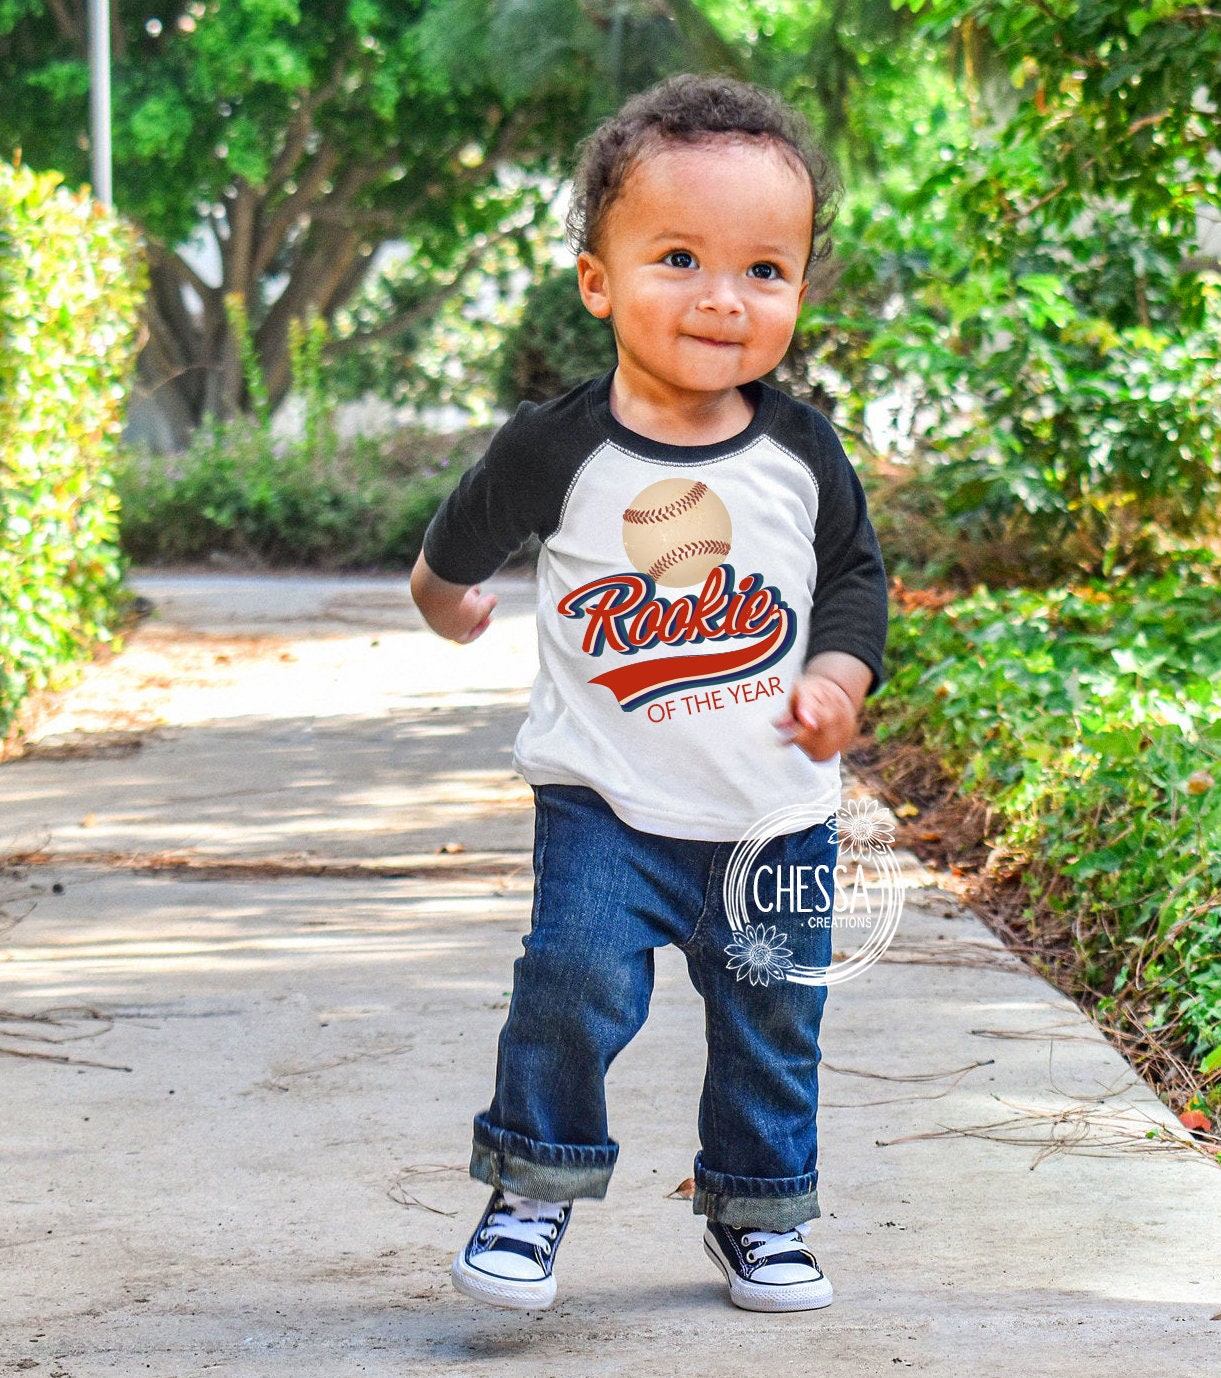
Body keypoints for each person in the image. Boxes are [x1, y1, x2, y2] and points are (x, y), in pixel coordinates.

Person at [411, 73, 888, 1314]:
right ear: (597, 280)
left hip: (773, 816)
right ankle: (532, 1190)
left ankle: (759, 1213)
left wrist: (837, 675)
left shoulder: (800, 453)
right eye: (678, 257)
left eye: (764, 270)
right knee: (567, 990)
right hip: (606, 809)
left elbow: (851, 579)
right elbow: (451, 546)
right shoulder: (557, 449)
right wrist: (445, 601)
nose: (722, 297)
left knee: (774, 1029)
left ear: (796, 287)